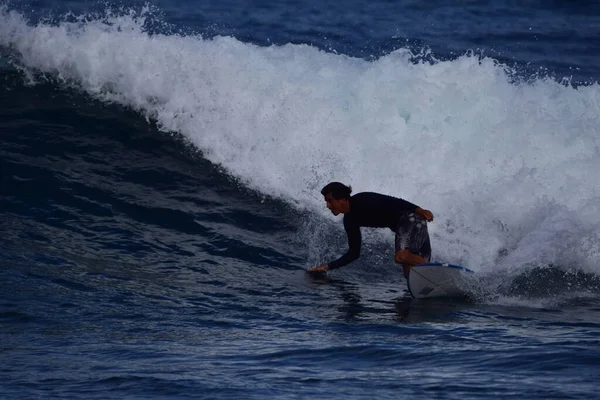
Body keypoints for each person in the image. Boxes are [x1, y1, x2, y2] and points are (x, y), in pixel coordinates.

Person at [308, 182, 434, 279]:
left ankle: (434, 269)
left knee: (401, 257)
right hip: (407, 228)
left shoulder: (363, 200)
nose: (327, 205)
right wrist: (327, 267)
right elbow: (354, 253)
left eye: (330, 201)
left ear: (343, 199)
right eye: (326, 202)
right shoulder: (350, 221)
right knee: (410, 275)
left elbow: (395, 202)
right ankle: (434, 275)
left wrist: (420, 210)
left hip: (412, 219)